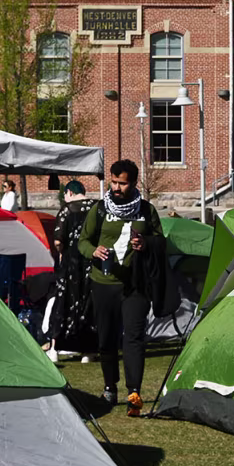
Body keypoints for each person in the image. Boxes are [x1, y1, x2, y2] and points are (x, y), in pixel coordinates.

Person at [77, 159, 163, 416]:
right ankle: (109, 388)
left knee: (134, 338)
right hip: (104, 283)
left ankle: (133, 392)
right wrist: (94, 251)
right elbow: (82, 242)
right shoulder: (100, 209)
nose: (116, 187)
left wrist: (146, 244)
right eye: (113, 182)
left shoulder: (146, 210)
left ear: (134, 183)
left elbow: (160, 242)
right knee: (107, 338)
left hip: (136, 285)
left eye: (122, 183)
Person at [41, 180, 97, 362]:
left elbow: (58, 240)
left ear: (69, 193)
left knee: (63, 303)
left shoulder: (68, 209)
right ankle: (88, 352)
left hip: (71, 264)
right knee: (89, 304)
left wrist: (61, 253)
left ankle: (56, 349)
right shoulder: (98, 208)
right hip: (92, 262)